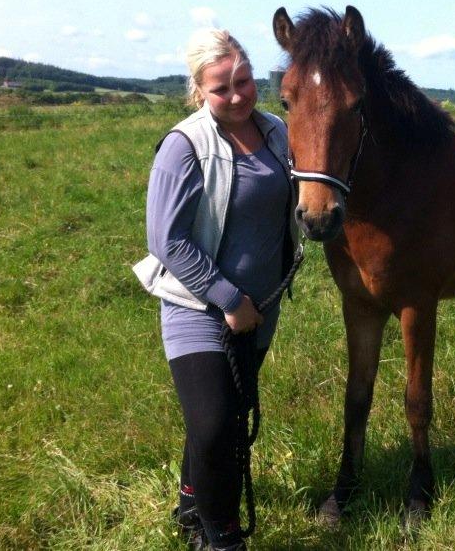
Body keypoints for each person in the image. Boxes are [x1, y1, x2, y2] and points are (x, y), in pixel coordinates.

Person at [134, 28, 297, 551]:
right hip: (197, 305)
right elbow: (166, 239)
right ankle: (222, 539)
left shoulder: (277, 132)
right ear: (199, 91)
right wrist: (226, 298)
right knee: (215, 426)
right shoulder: (184, 147)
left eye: (243, 81)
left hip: (258, 309)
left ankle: (190, 500)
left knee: (225, 412)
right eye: (221, 88)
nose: (237, 96)